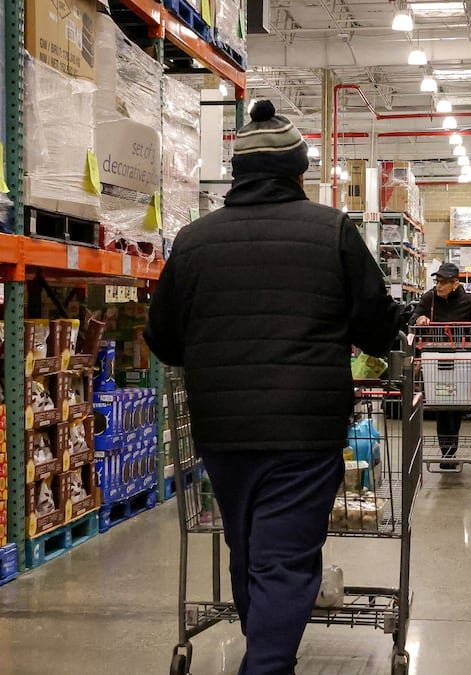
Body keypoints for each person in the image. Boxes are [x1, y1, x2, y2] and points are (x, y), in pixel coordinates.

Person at [145, 100, 405, 675]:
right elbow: (375, 324)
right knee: (283, 562)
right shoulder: (331, 230)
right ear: (298, 172)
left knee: (249, 550)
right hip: (304, 431)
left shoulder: (193, 241)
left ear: (237, 173)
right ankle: (264, 664)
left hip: (222, 432)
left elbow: (162, 339)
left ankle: (266, 652)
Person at [412, 262, 471, 465]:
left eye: (443, 282)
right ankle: (447, 453)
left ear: (455, 283)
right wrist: (420, 318)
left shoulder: (468, 300)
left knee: (455, 405)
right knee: (442, 404)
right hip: (435, 359)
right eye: (437, 281)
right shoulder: (429, 298)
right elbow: (414, 316)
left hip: (461, 359)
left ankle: (451, 449)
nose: (438, 286)